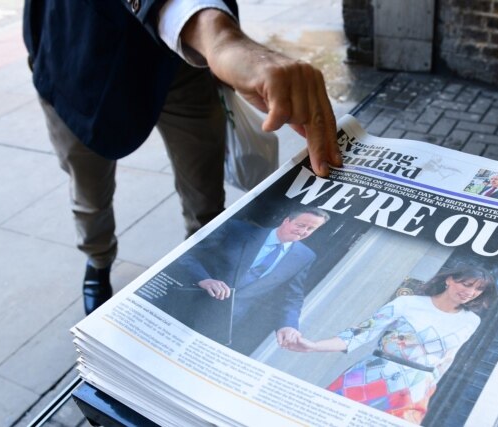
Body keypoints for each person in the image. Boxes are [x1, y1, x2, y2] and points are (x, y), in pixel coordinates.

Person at [23, 0, 342, 315]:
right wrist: (219, 38)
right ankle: (98, 260)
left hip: (178, 63)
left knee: (205, 196)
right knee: (90, 190)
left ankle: (204, 265)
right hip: (79, 52)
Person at [284, 266, 497, 424]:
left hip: (415, 389)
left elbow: (448, 359)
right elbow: (360, 333)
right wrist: (313, 346)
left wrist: (427, 390)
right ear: (449, 280)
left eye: (478, 290)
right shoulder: (408, 303)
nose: (470, 292)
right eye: (466, 284)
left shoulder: (471, 321)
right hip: (370, 376)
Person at [172, 207, 330, 355]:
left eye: (311, 229)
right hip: (188, 302)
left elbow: (292, 296)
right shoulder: (237, 230)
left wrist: (288, 325)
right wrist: (204, 279)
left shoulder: (305, 256)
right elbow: (188, 255)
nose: (303, 232)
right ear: (286, 220)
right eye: (300, 225)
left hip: (223, 322)